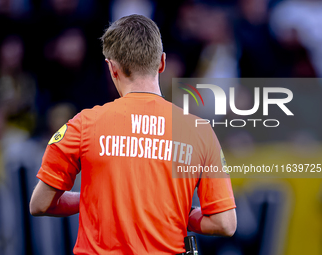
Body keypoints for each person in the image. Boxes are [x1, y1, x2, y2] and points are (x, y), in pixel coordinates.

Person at [29, 14, 237, 255]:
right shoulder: (199, 130)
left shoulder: (82, 125)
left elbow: (40, 204)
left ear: (112, 68)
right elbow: (225, 223)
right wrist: (180, 213)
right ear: (161, 62)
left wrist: (89, 198)